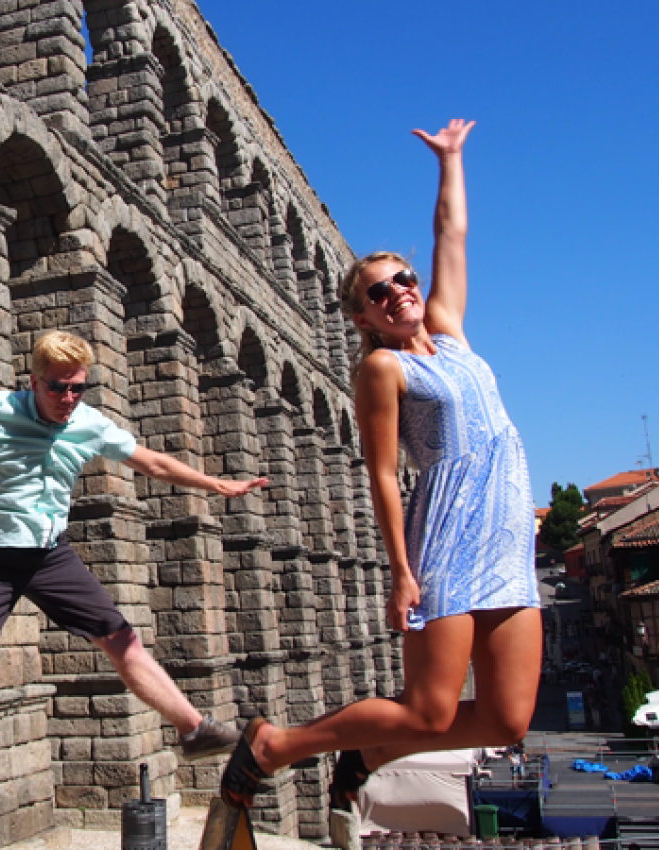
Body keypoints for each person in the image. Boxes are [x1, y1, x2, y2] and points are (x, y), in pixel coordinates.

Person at [217, 120, 542, 809]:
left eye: (402, 279)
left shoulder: (451, 333)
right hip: (448, 544)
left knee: (509, 720)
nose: (397, 291)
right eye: (378, 293)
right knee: (430, 709)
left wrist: (450, 161)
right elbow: (382, 473)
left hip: (509, 542)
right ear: (363, 318)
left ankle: (369, 750)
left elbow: (451, 236)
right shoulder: (381, 369)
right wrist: (401, 571)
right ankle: (277, 746)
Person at [0, 330, 269, 819]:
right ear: (35, 381)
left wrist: (213, 483)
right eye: (57, 388)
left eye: (77, 388)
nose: (67, 399)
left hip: (50, 555)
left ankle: (194, 728)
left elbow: (152, 462)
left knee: (122, 639)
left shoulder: (89, 425)